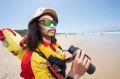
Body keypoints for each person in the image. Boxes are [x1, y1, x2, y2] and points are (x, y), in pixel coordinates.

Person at [20, 8, 91, 79]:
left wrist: (74, 59)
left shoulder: (55, 46)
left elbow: (57, 61)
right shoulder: (29, 59)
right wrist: (74, 74)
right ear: (36, 26)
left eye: (54, 23)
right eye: (47, 22)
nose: (52, 26)